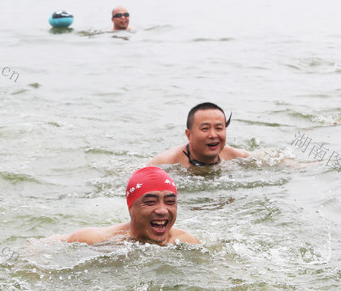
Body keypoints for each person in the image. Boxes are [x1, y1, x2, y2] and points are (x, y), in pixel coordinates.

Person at [61, 166, 200, 246]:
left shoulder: (187, 242)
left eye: (170, 202)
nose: (162, 210)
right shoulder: (94, 240)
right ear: (130, 207)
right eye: (151, 202)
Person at [148, 102, 250, 167]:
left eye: (219, 128)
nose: (213, 135)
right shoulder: (164, 163)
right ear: (189, 135)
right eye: (205, 129)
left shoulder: (237, 157)